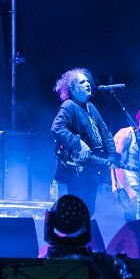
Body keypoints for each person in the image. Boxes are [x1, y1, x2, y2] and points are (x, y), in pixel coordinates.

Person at [50, 68, 117, 217]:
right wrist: (78, 143)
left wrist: (112, 154)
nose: (87, 84)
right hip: (77, 170)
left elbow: (105, 132)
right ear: (73, 89)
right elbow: (57, 127)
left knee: (89, 209)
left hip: (92, 168)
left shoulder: (91, 106)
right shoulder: (69, 106)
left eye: (87, 81)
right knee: (79, 209)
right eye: (82, 82)